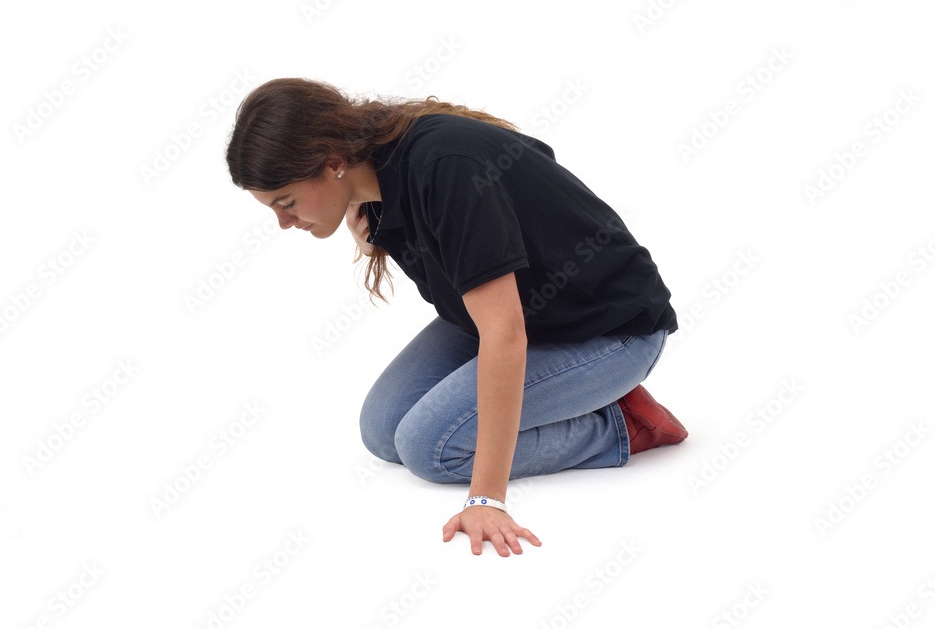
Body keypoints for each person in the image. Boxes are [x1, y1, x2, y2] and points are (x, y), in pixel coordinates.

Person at [225, 78, 688, 557]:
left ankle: (619, 423)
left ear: (332, 162)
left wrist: (487, 499)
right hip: (519, 317)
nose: (284, 222)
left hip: (609, 331)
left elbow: (504, 333)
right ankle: (565, 397)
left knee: (430, 448)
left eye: (286, 202)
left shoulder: (446, 168)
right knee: (382, 430)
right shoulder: (371, 184)